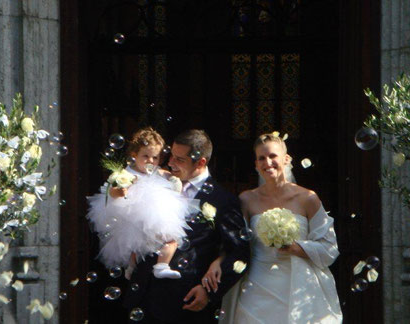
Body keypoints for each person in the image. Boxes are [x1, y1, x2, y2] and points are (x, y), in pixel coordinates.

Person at [205, 133, 342, 323]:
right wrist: (218, 261)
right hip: (256, 284)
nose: (267, 162)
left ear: (286, 159)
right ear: (256, 164)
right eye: (261, 158)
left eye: (272, 156)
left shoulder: (308, 198)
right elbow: (236, 243)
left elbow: (329, 247)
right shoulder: (246, 199)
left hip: (298, 285)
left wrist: (295, 247)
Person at [123, 129, 251, 324]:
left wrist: (208, 292)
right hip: (142, 294)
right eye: (171, 156)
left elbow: (239, 252)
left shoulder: (222, 200)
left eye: (179, 159)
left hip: (184, 303)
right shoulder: (157, 183)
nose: (170, 163)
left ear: (201, 162)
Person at [87, 127, 195, 280]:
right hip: (131, 214)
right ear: (134, 155)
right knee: (132, 242)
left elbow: (170, 176)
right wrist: (119, 192)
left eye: (155, 157)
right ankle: (131, 266)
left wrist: (174, 181)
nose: (151, 161)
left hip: (156, 216)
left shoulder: (158, 171)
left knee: (172, 238)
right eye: (146, 156)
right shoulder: (127, 174)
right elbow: (112, 190)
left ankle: (162, 265)